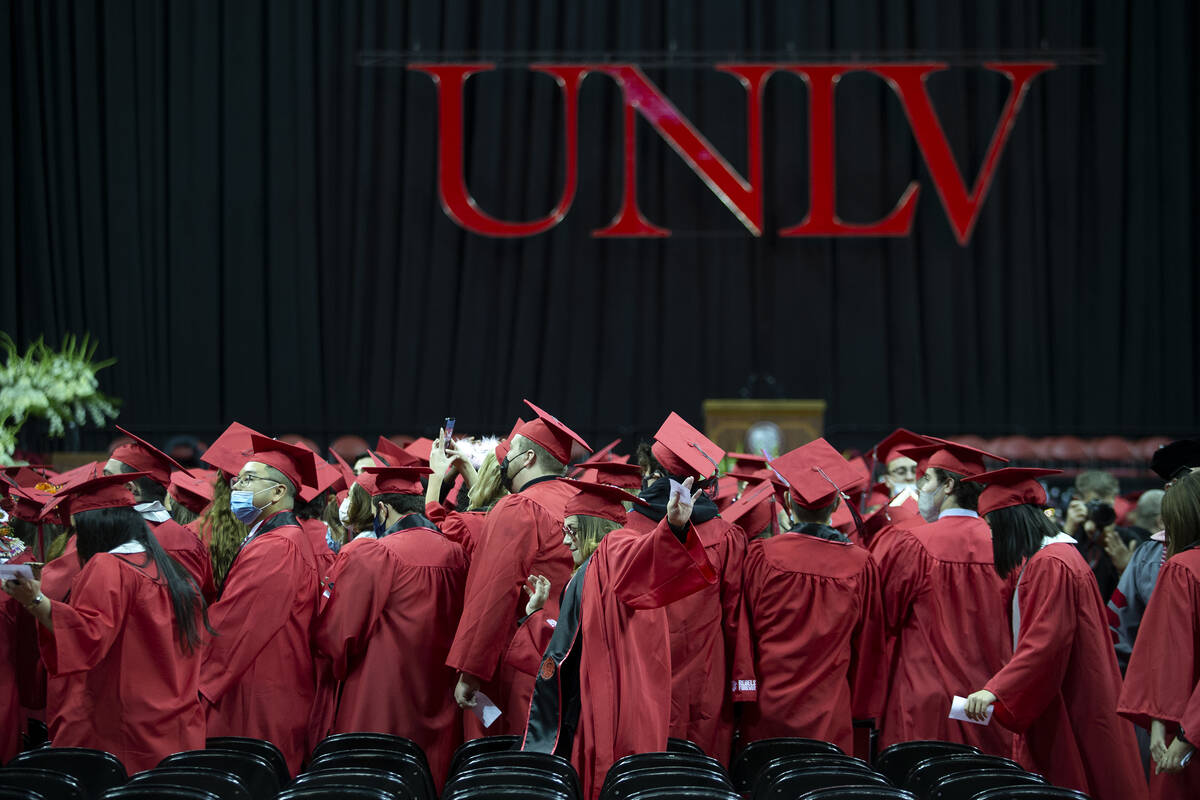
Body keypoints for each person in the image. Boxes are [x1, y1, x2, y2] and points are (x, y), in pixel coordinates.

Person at [518, 479, 717, 800]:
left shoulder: (614, 550)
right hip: (605, 699)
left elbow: (642, 554)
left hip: (616, 703)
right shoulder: (588, 573)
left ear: (592, 528)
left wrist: (674, 527)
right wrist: (538, 614)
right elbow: (570, 645)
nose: (565, 542)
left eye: (571, 530)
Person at [2, 473, 212, 772]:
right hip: (175, 726)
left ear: (97, 529)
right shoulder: (169, 568)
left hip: (123, 731)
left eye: (78, 531)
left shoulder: (109, 567)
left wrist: (35, 601)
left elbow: (88, 636)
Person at [963, 468, 1147, 800]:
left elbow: (1046, 641)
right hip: (1077, 688)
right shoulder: (1055, 557)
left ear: (1010, 523)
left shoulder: (1052, 563)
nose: (992, 538)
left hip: (1072, 696)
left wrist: (996, 690)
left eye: (993, 527)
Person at [314, 465, 466, 789]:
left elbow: (341, 635)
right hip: (439, 694)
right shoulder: (456, 553)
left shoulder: (376, 553)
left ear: (382, 508)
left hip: (380, 695)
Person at [449, 400, 589, 736]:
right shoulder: (584, 504)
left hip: (527, 659)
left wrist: (470, 671)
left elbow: (493, 593)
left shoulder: (520, 507)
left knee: (518, 767)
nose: (504, 460)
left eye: (511, 453)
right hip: (576, 657)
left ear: (528, 459)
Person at [739, 438, 886, 753]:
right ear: (836, 506)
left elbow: (743, 631)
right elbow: (869, 644)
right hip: (829, 709)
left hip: (766, 707)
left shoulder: (761, 555)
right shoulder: (861, 563)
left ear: (788, 504)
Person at [628, 412, 755, 764]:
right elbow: (734, 618)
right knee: (700, 770)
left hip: (642, 667)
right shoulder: (726, 536)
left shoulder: (625, 528)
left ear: (654, 471)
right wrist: (741, 684)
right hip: (704, 673)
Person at [876, 439, 1014, 755]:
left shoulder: (913, 543)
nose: (920, 486)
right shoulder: (1007, 548)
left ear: (948, 485)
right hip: (984, 701)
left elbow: (886, 616)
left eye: (926, 479)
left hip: (926, 697)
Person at [199, 434, 321, 775]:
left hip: (260, 691)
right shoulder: (274, 537)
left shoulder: (278, 546)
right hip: (265, 680)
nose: (237, 485)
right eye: (238, 479)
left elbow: (236, 625)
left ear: (279, 492)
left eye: (249, 479)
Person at [1118, 470, 1200, 798]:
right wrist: (1158, 723)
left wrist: (1181, 736)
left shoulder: (1183, 570)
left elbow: (1170, 657)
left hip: (1187, 738)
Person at [103, 426, 216, 603]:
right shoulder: (191, 542)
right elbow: (207, 599)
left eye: (107, 477)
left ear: (130, 489)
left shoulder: (112, 538)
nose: (99, 484)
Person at [1064, 470, 1147, 599]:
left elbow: (1144, 592)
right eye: (1094, 504)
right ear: (1077, 500)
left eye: (1106, 506)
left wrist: (1125, 569)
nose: (1100, 511)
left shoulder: (1127, 540)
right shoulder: (1065, 536)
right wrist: (1067, 531)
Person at [862, 428, 930, 514]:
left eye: (914, 470)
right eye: (901, 472)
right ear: (887, 480)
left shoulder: (934, 512)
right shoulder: (878, 515)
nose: (909, 477)